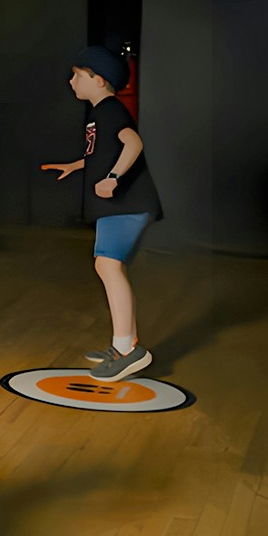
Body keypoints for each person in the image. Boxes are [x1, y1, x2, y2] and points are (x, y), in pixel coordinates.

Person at [40, 45, 164, 381]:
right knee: (110, 266)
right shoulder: (100, 113)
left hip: (128, 203)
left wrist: (112, 178)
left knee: (107, 265)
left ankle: (127, 351)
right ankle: (126, 343)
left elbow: (133, 144)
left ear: (98, 80)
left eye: (77, 75)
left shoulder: (110, 110)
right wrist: (76, 165)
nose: (71, 81)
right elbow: (102, 152)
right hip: (121, 205)